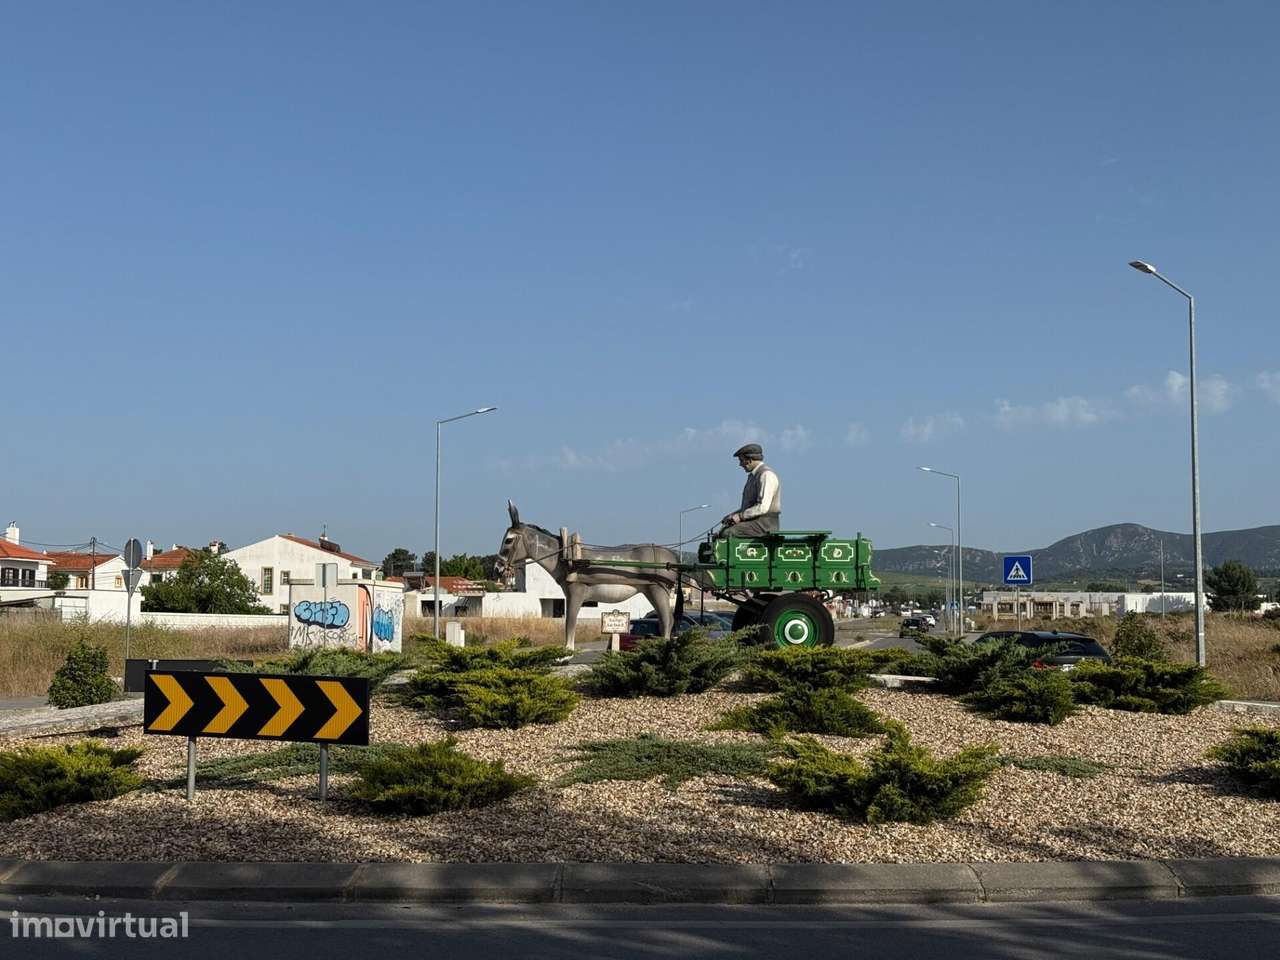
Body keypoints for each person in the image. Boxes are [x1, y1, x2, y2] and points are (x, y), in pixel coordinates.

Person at [719, 443, 782, 537]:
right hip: (754, 522)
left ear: (749, 460)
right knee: (722, 531)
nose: (740, 464)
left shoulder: (766, 475)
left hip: (764, 525)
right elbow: (750, 506)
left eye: (741, 460)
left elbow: (762, 507)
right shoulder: (753, 476)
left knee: (728, 533)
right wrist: (732, 516)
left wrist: (740, 516)